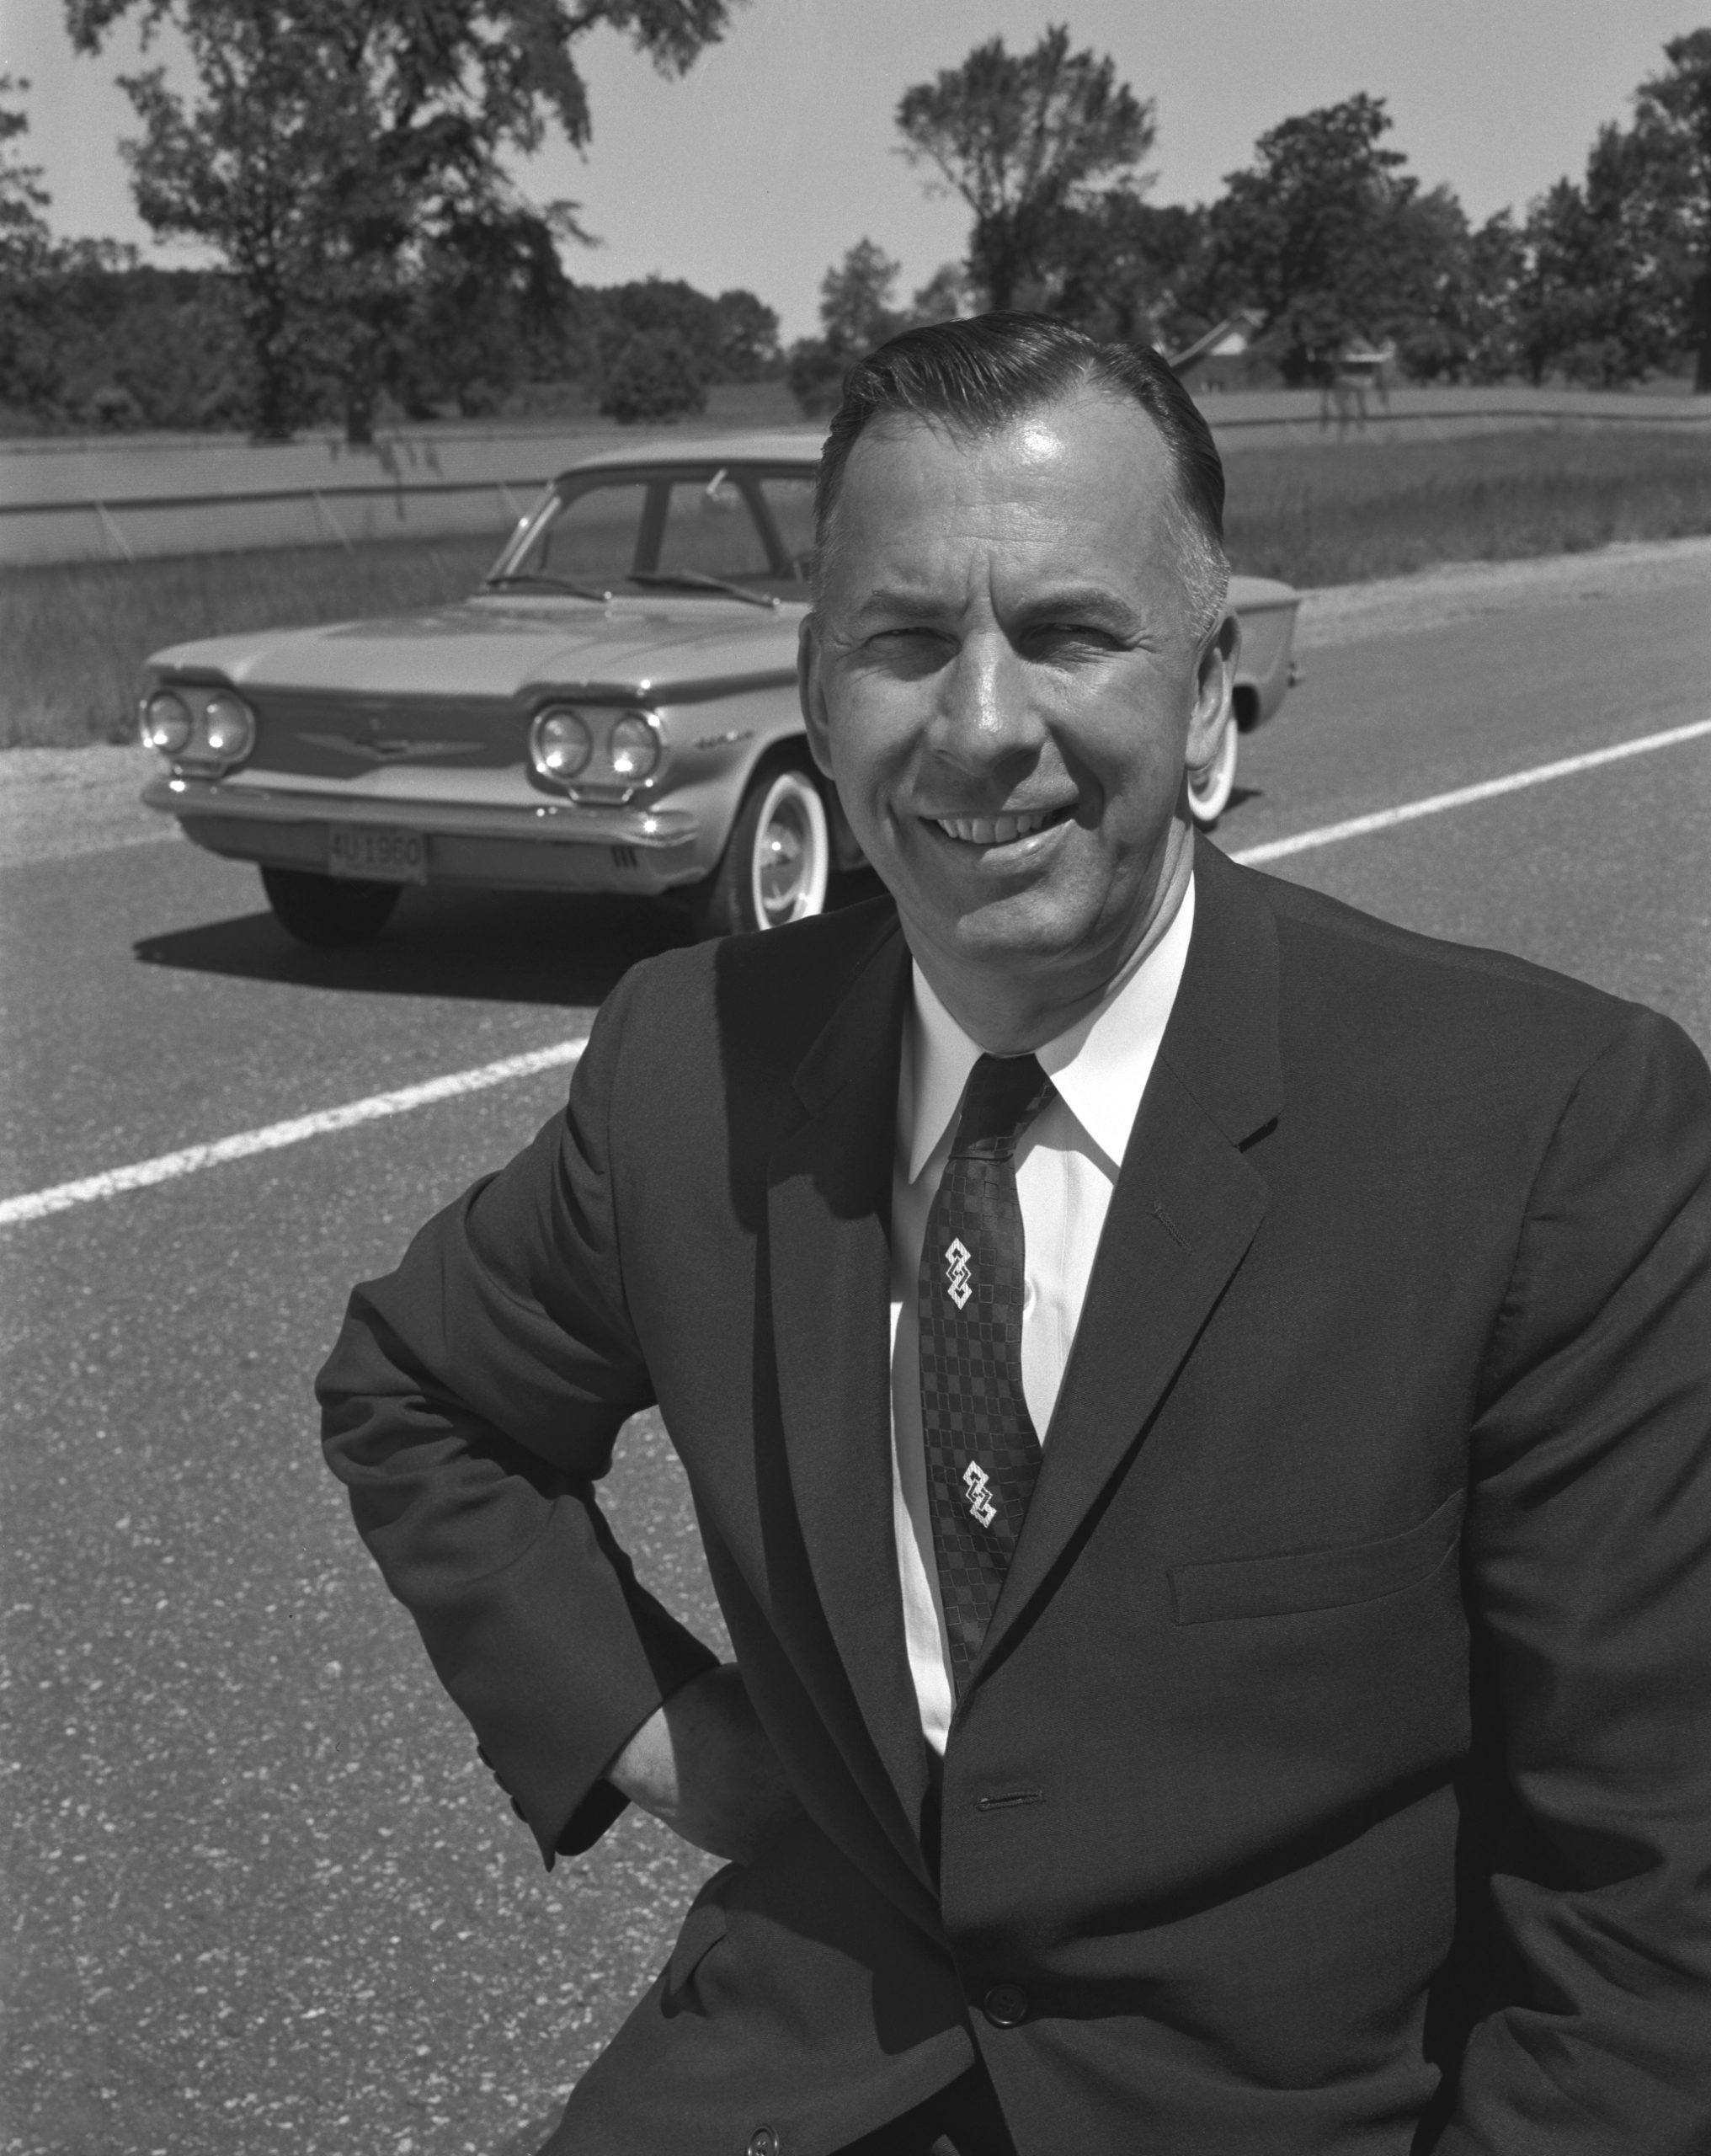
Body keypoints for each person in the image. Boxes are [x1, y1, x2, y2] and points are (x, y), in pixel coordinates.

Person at [317, 315, 1711, 2156]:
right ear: (818, 701)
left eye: (1067, 633)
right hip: (803, 2048)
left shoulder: (1540, 1126)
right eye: (904, 642)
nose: (978, 726)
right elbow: (419, 1393)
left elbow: (1641, 1891)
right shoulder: (690, 1060)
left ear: (1209, 701)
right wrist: (658, 1731)